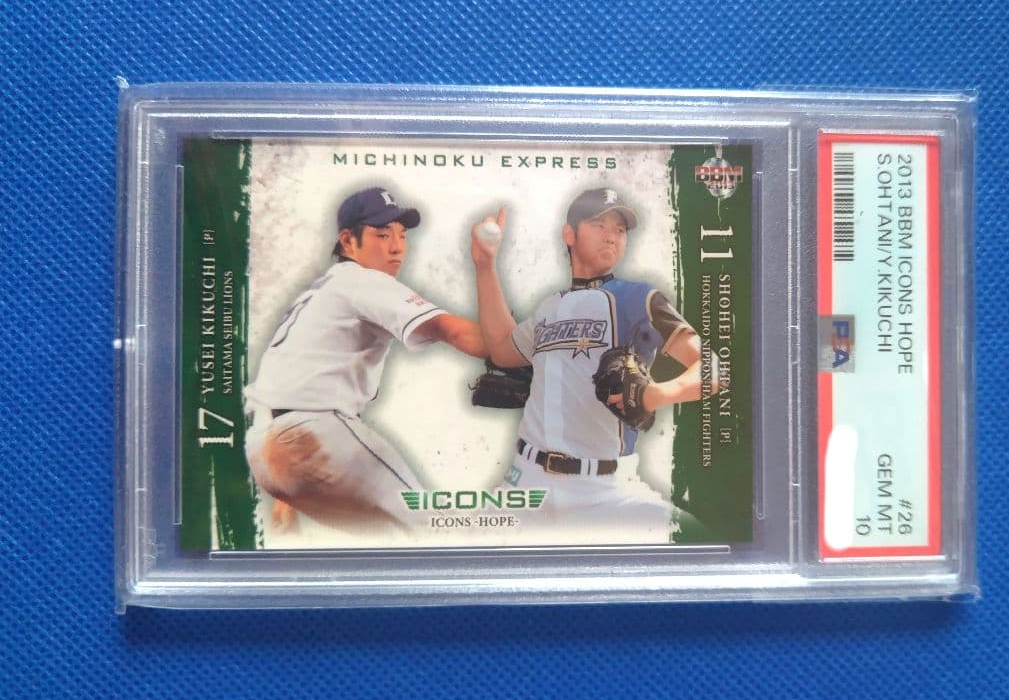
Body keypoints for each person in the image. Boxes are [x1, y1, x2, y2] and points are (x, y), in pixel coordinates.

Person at [470, 188, 719, 543]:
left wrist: (655, 395)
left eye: (620, 229)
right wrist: (484, 266)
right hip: (525, 483)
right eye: (599, 224)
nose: (611, 235)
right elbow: (502, 350)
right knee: (456, 554)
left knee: (698, 541)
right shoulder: (548, 308)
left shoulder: (638, 298)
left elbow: (713, 369)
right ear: (569, 234)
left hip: (606, 491)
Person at [245, 186, 487, 538]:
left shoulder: (323, 289)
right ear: (347, 241)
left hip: (263, 450)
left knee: (396, 542)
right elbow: (450, 330)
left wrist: (288, 483)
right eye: (382, 234)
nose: (397, 247)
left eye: (402, 234)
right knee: (436, 528)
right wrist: (518, 350)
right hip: (309, 434)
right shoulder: (361, 279)